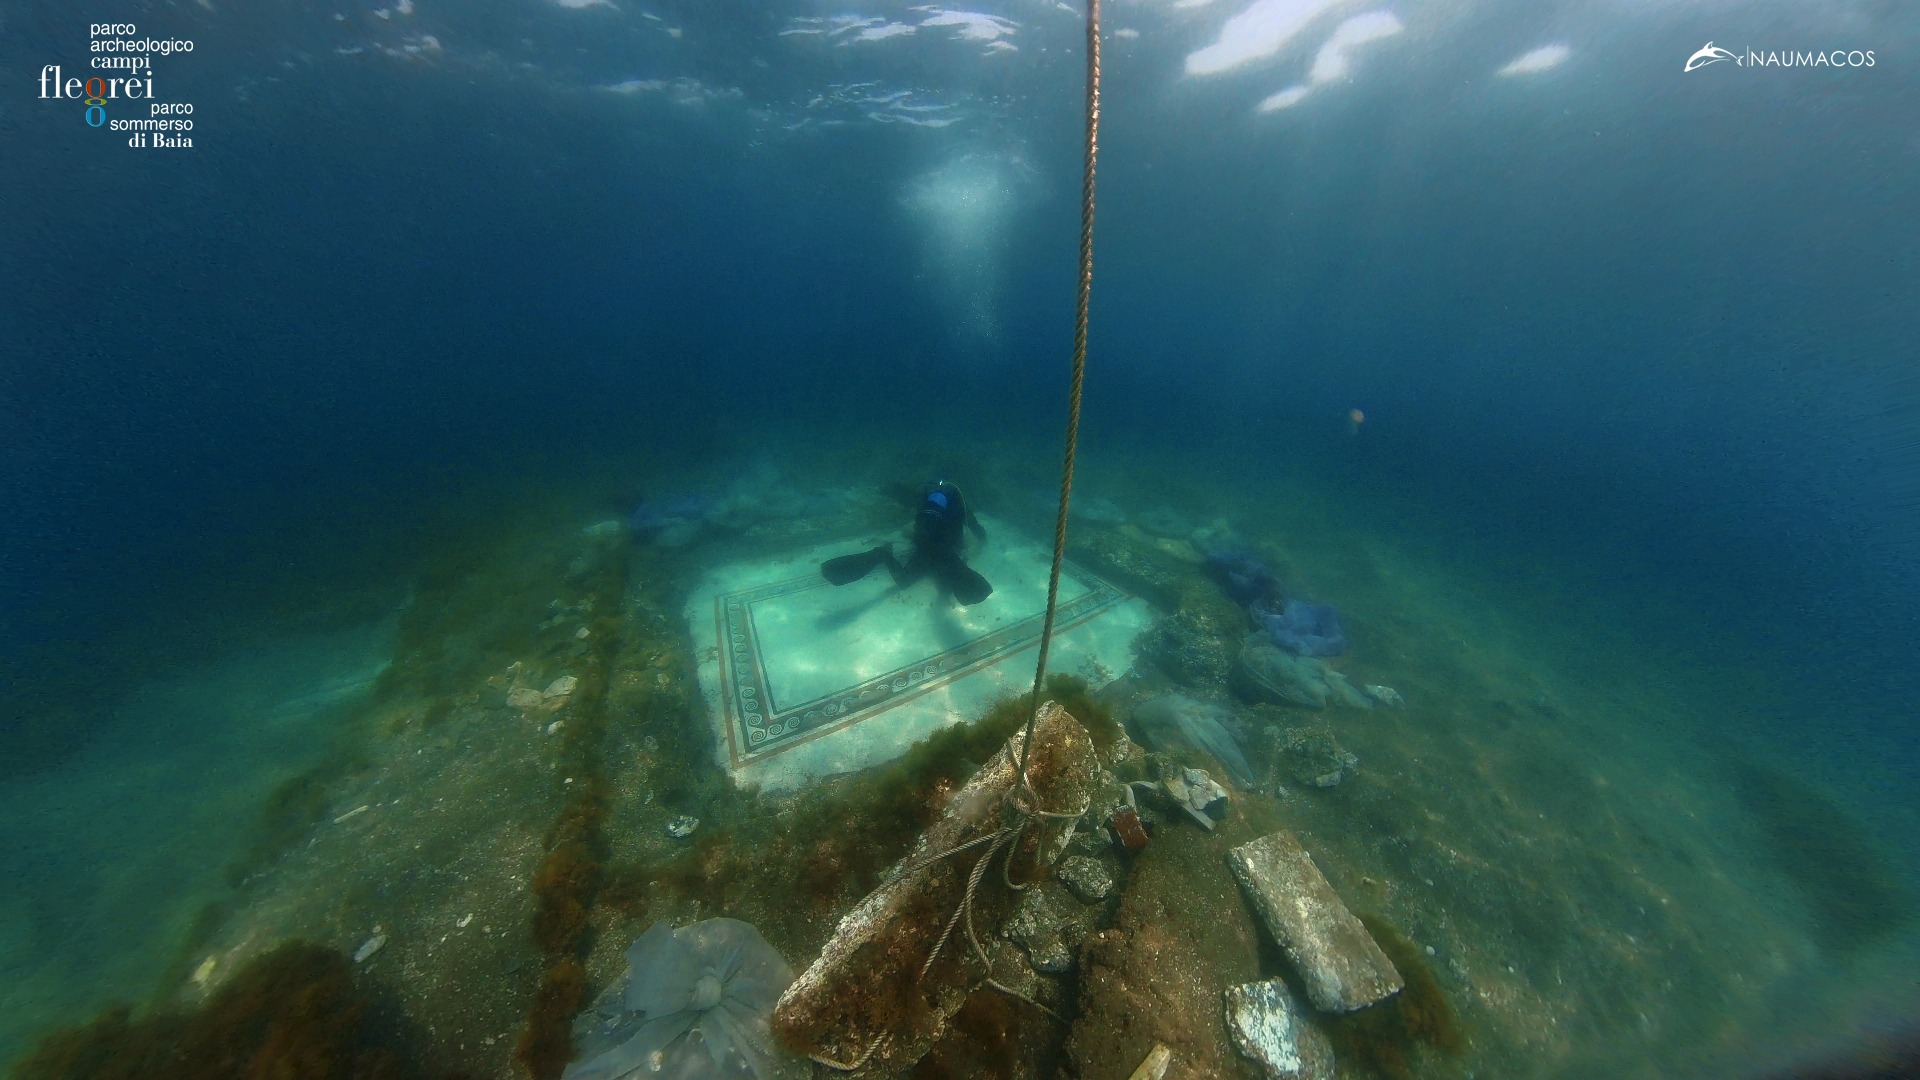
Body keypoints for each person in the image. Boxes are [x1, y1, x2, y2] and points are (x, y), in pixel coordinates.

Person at [820, 479, 993, 605]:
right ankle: (883, 554)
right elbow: (970, 526)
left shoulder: (944, 500)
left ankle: (882, 554)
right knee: (937, 569)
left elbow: (963, 527)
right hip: (935, 546)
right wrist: (979, 538)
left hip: (928, 541)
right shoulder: (957, 501)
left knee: (913, 577)